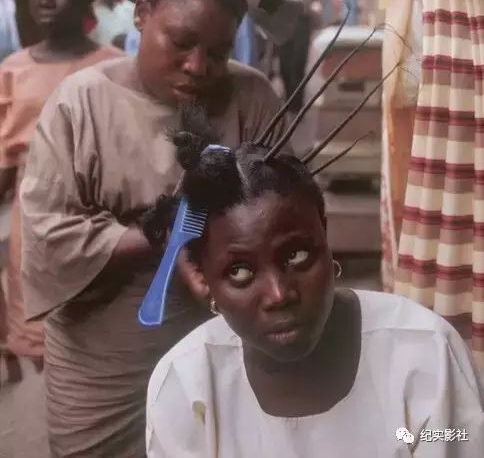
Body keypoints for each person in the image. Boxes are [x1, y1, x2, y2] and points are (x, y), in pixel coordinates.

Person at [19, 0, 301, 458]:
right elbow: (49, 236)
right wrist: (163, 230)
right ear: (142, 13)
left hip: (221, 344)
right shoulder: (82, 103)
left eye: (219, 52)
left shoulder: (251, 98)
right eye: (181, 42)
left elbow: (288, 211)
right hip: (103, 361)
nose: (198, 67)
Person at [146, 103, 484, 457]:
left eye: (296, 256)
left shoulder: (424, 354)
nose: (279, 294)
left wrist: (400, 437)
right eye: (240, 272)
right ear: (204, 279)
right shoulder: (186, 385)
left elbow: (444, 439)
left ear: (324, 234)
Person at [0, 0, 120, 458]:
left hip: (98, 215)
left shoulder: (113, 65)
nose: (47, 1)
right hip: (32, 227)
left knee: (98, 334)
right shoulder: (12, 69)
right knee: (45, 345)